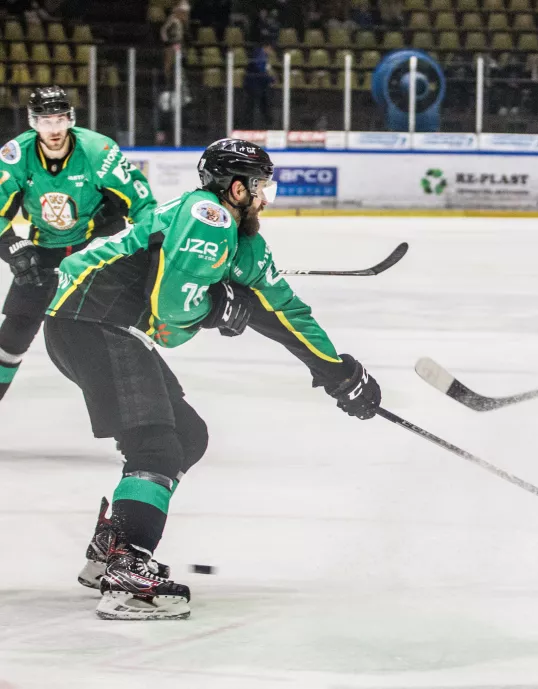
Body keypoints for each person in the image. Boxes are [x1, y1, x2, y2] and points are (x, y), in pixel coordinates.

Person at [44, 138, 383, 620]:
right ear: (237, 189)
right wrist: (215, 307)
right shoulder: (208, 216)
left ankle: (113, 546)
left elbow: (284, 311)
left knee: (187, 435)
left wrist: (338, 372)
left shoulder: (242, 241)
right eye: (261, 187)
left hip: (101, 326)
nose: (266, 198)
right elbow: (170, 310)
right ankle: (127, 570)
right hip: (91, 319)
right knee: (155, 445)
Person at [0, 85, 155, 403]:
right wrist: (12, 246)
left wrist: (151, 246)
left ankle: (135, 408)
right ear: (33, 122)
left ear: (70, 119)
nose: (54, 129)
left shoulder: (98, 152)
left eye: (60, 119)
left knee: (107, 329)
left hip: (96, 248)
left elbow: (142, 204)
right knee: (16, 329)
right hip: (44, 248)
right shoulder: (15, 156)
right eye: (45, 121)